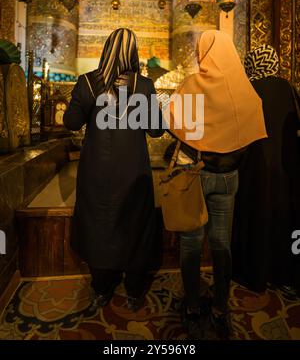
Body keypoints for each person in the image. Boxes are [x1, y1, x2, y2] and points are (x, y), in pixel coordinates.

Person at [164, 30, 267, 339]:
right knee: (222, 242)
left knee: (192, 243)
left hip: (195, 176)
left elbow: (174, 124)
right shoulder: (242, 88)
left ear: (204, 52)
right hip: (228, 177)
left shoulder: (193, 85)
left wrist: (201, 137)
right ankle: (222, 306)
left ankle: (193, 305)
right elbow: (252, 123)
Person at [63, 28, 164, 312]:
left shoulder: (87, 83)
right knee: (134, 224)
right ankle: (133, 291)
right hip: (133, 171)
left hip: (96, 171)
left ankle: (101, 289)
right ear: (133, 52)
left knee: (98, 223)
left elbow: (71, 122)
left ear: (106, 49)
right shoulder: (143, 86)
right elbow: (156, 130)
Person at [231, 45, 300, 296]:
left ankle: (255, 275)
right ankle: (285, 276)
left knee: (256, 218)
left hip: (255, 169)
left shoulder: (247, 90)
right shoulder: (289, 89)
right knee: (285, 220)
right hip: (286, 170)